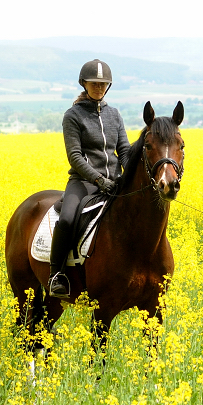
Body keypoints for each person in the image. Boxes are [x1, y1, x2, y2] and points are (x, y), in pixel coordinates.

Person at [48, 59, 130, 298]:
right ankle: (57, 274)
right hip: (83, 182)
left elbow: (124, 150)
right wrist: (98, 180)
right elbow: (75, 156)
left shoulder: (114, 115)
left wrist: (129, 173)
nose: (99, 87)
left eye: (103, 84)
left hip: (115, 181)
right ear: (84, 84)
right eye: (94, 83)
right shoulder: (73, 116)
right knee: (66, 220)